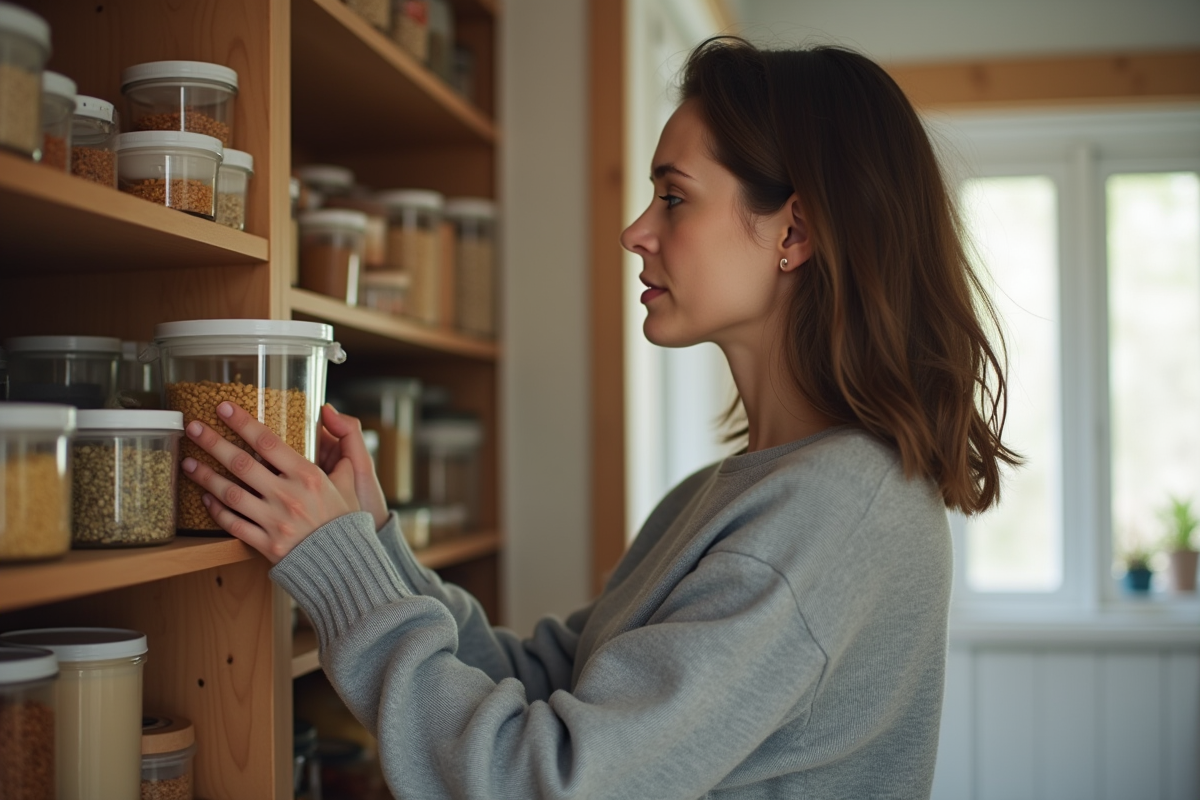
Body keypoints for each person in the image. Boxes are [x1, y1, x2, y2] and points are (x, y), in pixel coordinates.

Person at [181, 37, 1017, 799]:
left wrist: (343, 581)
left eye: (674, 197)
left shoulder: (831, 518)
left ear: (793, 231)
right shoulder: (730, 494)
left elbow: (543, 780)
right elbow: (550, 682)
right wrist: (370, 547)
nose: (634, 230)